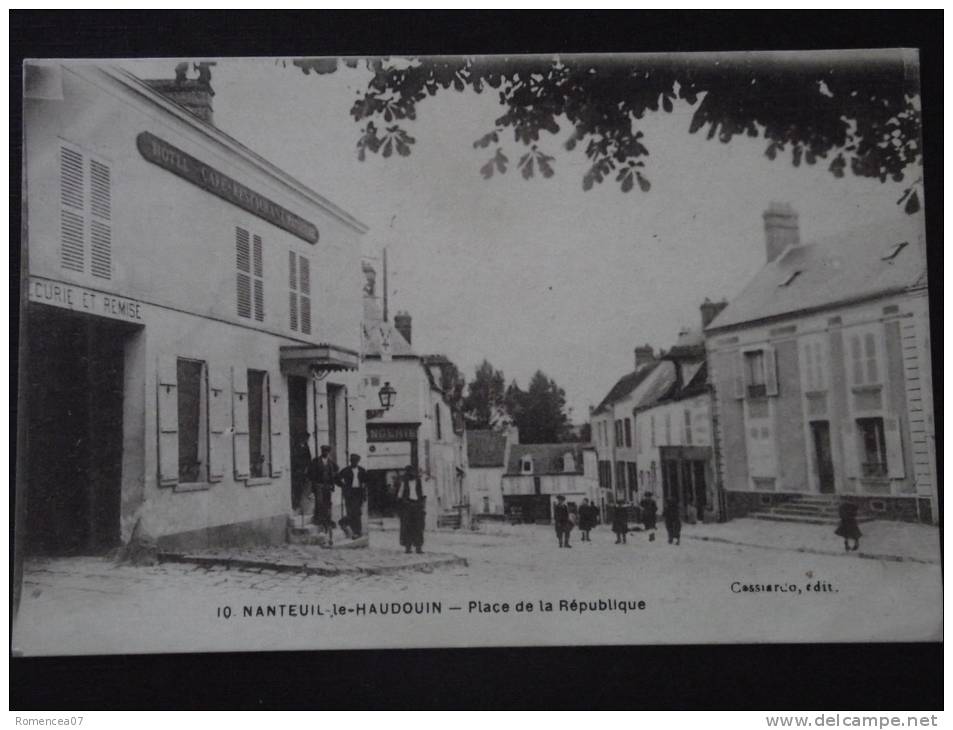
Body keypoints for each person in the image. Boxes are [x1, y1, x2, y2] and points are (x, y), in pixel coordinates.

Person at [308, 445, 338, 544]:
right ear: (321, 451)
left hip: (327, 486)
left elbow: (334, 473)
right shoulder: (316, 461)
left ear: (328, 452)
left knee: (327, 503)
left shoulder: (330, 462)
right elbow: (311, 474)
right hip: (319, 484)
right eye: (323, 451)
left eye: (327, 451)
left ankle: (326, 520)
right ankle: (319, 520)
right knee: (319, 502)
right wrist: (313, 486)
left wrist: (332, 485)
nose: (325, 452)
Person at [336, 453, 368, 539]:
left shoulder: (362, 470)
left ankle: (357, 532)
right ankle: (353, 529)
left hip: (358, 493)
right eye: (352, 461)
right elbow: (337, 478)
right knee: (350, 512)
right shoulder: (346, 470)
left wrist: (364, 494)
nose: (354, 462)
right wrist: (343, 485)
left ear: (358, 461)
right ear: (350, 461)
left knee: (357, 512)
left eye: (356, 461)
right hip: (349, 493)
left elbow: (366, 482)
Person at [397, 464, 426, 554]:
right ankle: (408, 547)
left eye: (413, 472)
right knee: (407, 527)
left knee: (418, 527)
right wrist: (403, 506)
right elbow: (399, 496)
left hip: (417, 506)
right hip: (407, 506)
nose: (411, 474)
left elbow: (424, 495)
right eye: (409, 472)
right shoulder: (404, 483)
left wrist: (422, 506)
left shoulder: (420, 482)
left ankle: (418, 547)